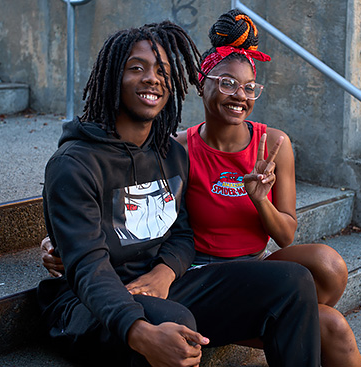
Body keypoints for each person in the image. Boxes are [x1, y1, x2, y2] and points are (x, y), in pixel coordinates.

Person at [37, 20, 321, 367]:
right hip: (88, 304)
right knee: (175, 324)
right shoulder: (73, 164)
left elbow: (182, 233)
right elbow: (87, 267)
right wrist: (138, 330)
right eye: (136, 68)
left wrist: (165, 272)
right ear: (112, 77)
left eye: (163, 71)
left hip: (159, 285)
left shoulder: (169, 153)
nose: (152, 78)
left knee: (292, 281)